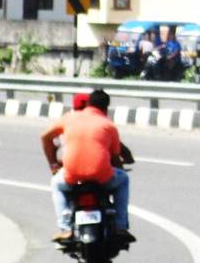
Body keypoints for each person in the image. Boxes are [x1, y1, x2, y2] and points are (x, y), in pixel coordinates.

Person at [41, 88, 135, 244]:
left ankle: (64, 228)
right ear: (106, 108)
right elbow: (115, 157)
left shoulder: (69, 119)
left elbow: (45, 137)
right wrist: (119, 167)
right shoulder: (108, 125)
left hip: (72, 175)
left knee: (56, 184)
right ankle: (120, 226)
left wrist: (52, 164)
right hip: (102, 176)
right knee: (123, 179)